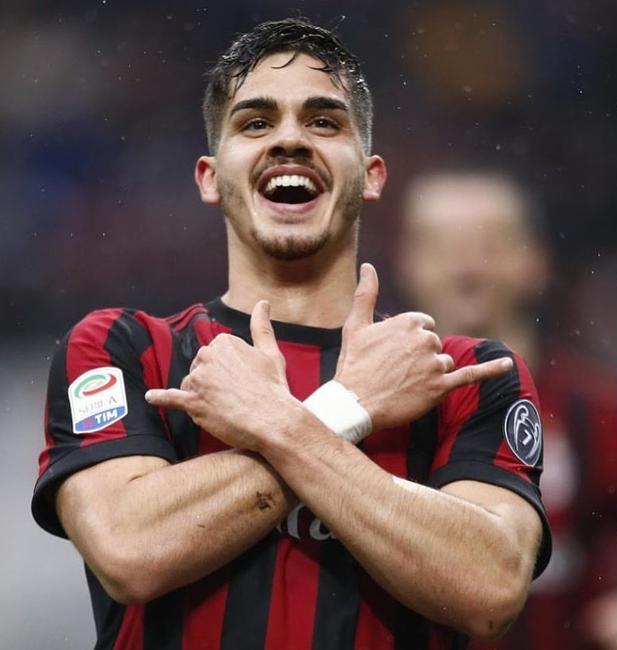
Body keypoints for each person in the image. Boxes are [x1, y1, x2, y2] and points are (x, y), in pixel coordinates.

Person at [32, 20, 551, 650]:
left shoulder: (461, 373)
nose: (289, 139)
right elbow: (129, 552)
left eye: (324, 122)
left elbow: (490, 590)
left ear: (373, 175)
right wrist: (349, 408)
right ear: (208, 177)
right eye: (255, 123)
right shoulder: (123, 348)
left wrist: (281, 425)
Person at [397, 168, 617, 650]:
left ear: (536, 261)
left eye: (489, 244)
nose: (466, 267)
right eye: (442, 246)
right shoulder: (372, 408)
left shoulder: (604, 411)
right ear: (407, 262)